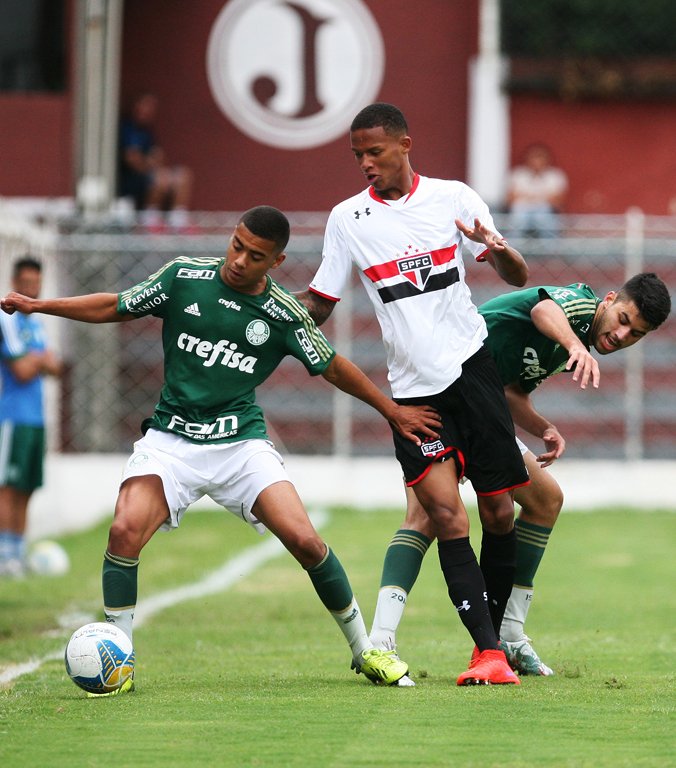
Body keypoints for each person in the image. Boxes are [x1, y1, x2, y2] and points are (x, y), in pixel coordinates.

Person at [0, 206, 442, 694]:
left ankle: (365, 651)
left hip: (240, 445)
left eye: (255, 256)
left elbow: (335, 367)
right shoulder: (183, 277)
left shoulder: (282, 313)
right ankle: (119, 662)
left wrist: (392, 411)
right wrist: (40, 306)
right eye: (236, 245)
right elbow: (114, 306)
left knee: (306, 542)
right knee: (124, 529)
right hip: (171, 441)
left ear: (275, 262)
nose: (238, 260)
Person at [295, 102, 530, 686]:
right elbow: (322, 301)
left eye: (374, 152)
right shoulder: (347, 219)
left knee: (499, 511)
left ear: (405, 144)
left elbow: (518, 276)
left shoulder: (453, 198)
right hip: (412, 397)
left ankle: (498, 638)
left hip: (473, 372)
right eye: (357, 156)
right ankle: (488, 654)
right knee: (449, 517)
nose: (366, 164)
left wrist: (496, 249)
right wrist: (283, 323)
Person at [367, 273, 671, 677]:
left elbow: (511, 393)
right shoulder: (577, 309)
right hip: (441, 392)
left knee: (545, 498)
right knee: (426, 516)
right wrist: (575, 345)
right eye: (623, 318)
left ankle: (509, 636)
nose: (622, 334)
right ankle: (379, 640)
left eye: (636, 333)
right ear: (610, 300)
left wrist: (543, 426)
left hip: (485, 409)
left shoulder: (570, 345)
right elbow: (542, 308)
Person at [0, 257, 63, 577]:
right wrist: (40, 359)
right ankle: (3, 555)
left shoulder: (35, 321)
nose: (30, 288)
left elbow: (56, 367)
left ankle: (17, 552)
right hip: (11, 417)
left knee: (26, 486)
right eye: (24, 282)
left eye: (35, 283)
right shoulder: (6, 320)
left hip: (36, 419)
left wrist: (39, 360)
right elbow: (23, 370)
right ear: (14, 281)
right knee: (7, 487)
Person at [117, 92, 193, 232]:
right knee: (160, 178)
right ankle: (150, 219)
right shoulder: (127, 129)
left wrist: (154, 163)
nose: (148, 111)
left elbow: (157, 157)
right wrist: (149, 165)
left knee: (182, 174)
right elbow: (132, 159)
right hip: (129, 182)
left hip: (149, 174)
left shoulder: (147, 132)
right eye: (145, 106)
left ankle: (178, 220)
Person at [506, 143, 568, 238]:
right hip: (522, 209)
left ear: (547, 159)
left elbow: (557, 201)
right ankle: (512, 249)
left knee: (542, 217)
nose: (536, 161)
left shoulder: (555, 176)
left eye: (540, 157)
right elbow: (510, 199)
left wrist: (527, 196)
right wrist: (542, 196)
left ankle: (549, 250)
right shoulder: (518, 175)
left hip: (545, 210)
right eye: (533, 157)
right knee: (519, 215)